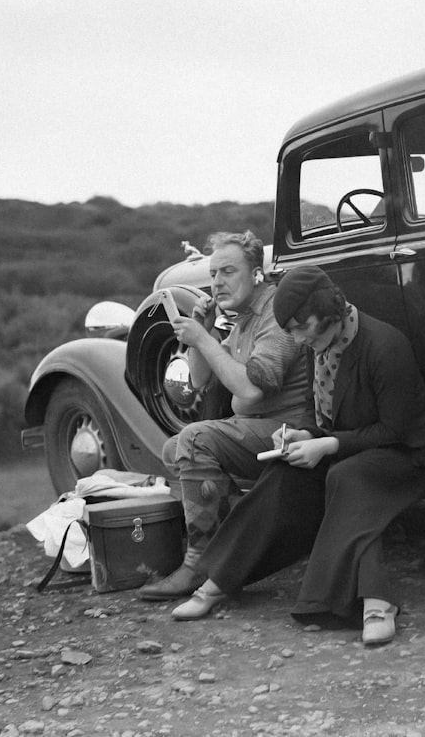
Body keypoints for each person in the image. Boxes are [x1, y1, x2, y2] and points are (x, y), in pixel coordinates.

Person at [169, 266, 425, 646]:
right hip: (350, 446)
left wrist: (327, 445)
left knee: (346, 478)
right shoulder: (319, 343)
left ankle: (376, 602)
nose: (298, 337)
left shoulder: (384, 344)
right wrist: (304, 434)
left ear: (327, 312)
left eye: (302, 327)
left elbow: (393, 430)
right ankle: (217, 581)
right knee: (285, 473)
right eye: (292, 330)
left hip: (406, 453)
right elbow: (315, 410)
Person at [138, 231, 309, 601]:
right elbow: (199, 379)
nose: (217, 282)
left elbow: (249, 390)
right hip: (261, 429)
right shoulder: (245, 317)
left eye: (228, 271)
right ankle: (237, 543)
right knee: (174, 450)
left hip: (293, 433)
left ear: (257, 274)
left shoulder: (275, 315)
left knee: (194, 440)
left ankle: (199, 562)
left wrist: (202, 339)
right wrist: (209, 327)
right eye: (213, 274)